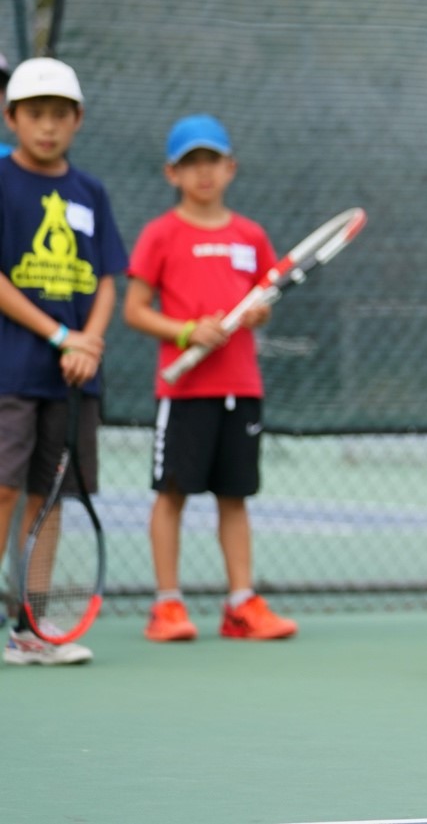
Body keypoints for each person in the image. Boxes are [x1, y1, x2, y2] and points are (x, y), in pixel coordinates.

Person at [123, 114, 298, 642]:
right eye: (190, 164)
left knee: (234, 496)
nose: (203, 173)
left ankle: (241, 604)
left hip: (240, 389)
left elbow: (264, 297)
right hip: (184, 392)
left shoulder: (251, 235)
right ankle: (167, 605)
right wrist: (184, 333)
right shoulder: (160, 234)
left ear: (230, 168)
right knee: (172, 495)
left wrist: (259, 314)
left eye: (212, 162)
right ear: (171, 173)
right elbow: (134, 309)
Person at [0, 57, 127, 665]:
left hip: (75, 381)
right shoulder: (0, 182)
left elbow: (107, 279)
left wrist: (89, 342)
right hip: (12, 373)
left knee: (50, 500)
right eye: (34, 115)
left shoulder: (91, 192)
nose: (47, 127)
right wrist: (60, 336)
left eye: (59, 115)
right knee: (2, 493)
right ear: (11, 119)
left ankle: (32, 624)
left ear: (77, 120)